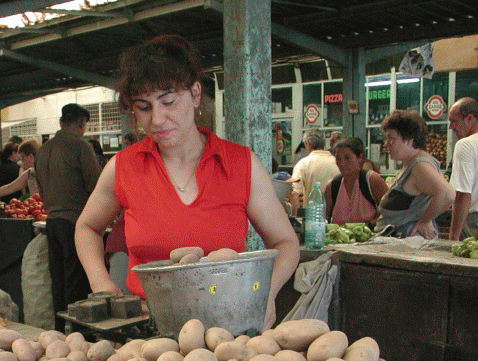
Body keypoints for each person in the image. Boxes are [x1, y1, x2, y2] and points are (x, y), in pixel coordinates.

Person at [74, 34, 299, 331]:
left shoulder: (241, 164)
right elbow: (86, 227)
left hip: (228, 326)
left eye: (168, 101)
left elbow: (286, 242)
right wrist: (101, 282)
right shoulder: (124, 167)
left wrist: (265, 293)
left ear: (194, 94)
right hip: (146, 329)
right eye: (144, 107)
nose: (157, 119)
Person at [35, 103, 101, 331]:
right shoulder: (80, 147)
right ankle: (79, 332)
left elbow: (40, 189)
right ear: (81, 123)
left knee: (59, 280)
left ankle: (58, 329)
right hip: (76, 222)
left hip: (51, 223)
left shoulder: (42, 150)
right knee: (77, 280)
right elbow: (96, 186)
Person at [375, 109, 455, 238]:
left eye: (391, 138)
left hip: (409, 239)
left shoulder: (420, 165)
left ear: (409, 139)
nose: (387, 144)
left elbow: (447, 194)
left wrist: (424, 221)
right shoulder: (411, 162)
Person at [324, 137, 388, 227]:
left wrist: (368, 226)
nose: (342, 163)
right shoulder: (332, 186)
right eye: (338, 159)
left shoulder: (372, 180)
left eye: (347, 158)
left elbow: (389, 212)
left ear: (360, 157)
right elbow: (324, 218)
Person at [447, 97, 478, 240]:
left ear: (470, 119)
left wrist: (453, 237)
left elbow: (462, 195)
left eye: (454, 121)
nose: (451, 127)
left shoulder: (466, 145)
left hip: (473, 224)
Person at [289, 128, 340, 216]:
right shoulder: (337, 163)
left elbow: (295, 195)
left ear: (307, 144)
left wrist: (295, 219)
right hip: (337, 216)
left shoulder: (302, 164)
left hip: (312, 218)